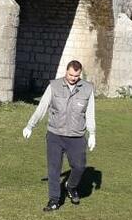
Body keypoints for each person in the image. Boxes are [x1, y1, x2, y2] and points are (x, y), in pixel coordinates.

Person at [22, 60, 96, 212]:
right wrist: (30, 125)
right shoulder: (54, 86)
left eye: (76, 75)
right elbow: (42, 107)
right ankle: (54, 200)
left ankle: (71, 186)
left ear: (80, 74)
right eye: (70, 74)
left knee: (79, 166)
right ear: (66, 72)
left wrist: (92, 133)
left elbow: (90, 113)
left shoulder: (87, 89)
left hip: (76, 137)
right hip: (55, 135)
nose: (73, 78)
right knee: (54, 169)